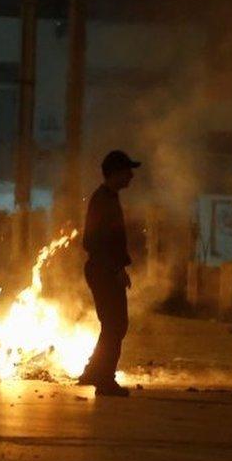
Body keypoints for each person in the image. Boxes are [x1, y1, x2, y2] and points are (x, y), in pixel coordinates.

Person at [78, 150, 141, 397]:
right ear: (115, 173)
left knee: (111, 324)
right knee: (116, 324)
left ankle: (94, 371)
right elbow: (97, 240)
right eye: (127, 171)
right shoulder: (103, 200)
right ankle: (104, 380)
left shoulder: (107, 198)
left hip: (104, 268)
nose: (131, 176)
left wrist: (119, 267)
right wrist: (116, 268)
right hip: (103, 269)